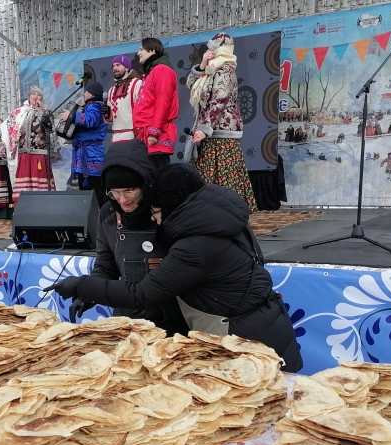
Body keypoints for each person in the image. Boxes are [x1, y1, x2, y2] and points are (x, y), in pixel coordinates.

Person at [46, 164, 303, 373]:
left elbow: (143, 293)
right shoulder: (217, 220)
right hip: (261, 327)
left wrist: (82, 285)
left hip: (246, 342)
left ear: (174, 207)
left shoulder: (195, 247)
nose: (155, 218)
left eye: (157, 211)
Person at [67, 139, 188, 336]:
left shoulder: (165, 210)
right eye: (115, 192)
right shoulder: (108, 214)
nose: (122, 200)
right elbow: (106, 265)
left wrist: (163, 307)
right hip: (128, 316)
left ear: (145, 184)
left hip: (172, 318)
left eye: (129, 191)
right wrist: (89, 293)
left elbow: (185, 270)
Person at [186, 32, 256, 210]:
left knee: (225, 174)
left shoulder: (226, 70)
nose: (209, 51)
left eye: (212, 48)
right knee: (208, 172)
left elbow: (220, 100)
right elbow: (190, 84)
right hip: (209, 132)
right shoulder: (210, 70)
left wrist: (205, 127)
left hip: (222, 133)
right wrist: (201, 65)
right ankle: (210, 209)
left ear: (221, 50)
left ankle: (231, 210)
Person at [3, 85, 57, 205]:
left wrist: (41, 112)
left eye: (39, 95)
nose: (36, 97)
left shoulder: (46, 112)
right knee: (25, 183)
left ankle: (42, 207)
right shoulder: (20, 113)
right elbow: (9, 129)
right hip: (24, 154)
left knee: (40, 182)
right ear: (29, 96)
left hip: (39, 154)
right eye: (34, 94)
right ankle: (24, 207)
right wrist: (5, 145)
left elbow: (50, 129)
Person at [60, 81, 108, 208]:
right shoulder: (89, 107)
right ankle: (91, 217)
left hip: (92, 154)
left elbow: (90, 120)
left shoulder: (96, 107)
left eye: (86, 91)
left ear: (91, 94)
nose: (84, 93)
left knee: (95, 187)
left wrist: (71, 115)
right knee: (85, 187)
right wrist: (72, 137)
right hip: (84, 153)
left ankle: (101, 217)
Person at [133, 37, 179, 170]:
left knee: (158, 178)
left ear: (152, 50)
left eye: (141, 49)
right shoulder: (151, 72)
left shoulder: (162, 70)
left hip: (156, 135)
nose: (138, 53)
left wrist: (154, 132)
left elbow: (163, 102)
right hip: (145, 134)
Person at [106, 55, 142, 143]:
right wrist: (106, 113)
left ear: (126, 68)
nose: (114, 68)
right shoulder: (111, 90)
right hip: (115, 137)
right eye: (113, 66)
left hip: (133, 136)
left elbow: (142, 110)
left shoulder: (137, 83)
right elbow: (110, 120)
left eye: (118, 65)